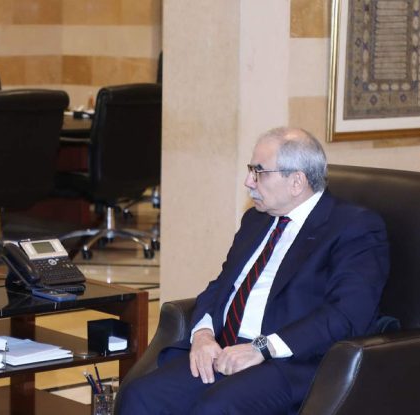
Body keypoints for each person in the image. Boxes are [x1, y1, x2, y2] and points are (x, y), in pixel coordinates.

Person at [118, 127, 389, 414]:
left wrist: (261, 347)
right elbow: (222, 285)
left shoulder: (353, 227)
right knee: (140, 395)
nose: (249, 182)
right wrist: (203, 334)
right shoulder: (256, 220)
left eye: (259, 172)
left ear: (296, 181)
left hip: (289, 362)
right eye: (251, 170)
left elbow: (347, 314)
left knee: (217, 407)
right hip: (226, 349)